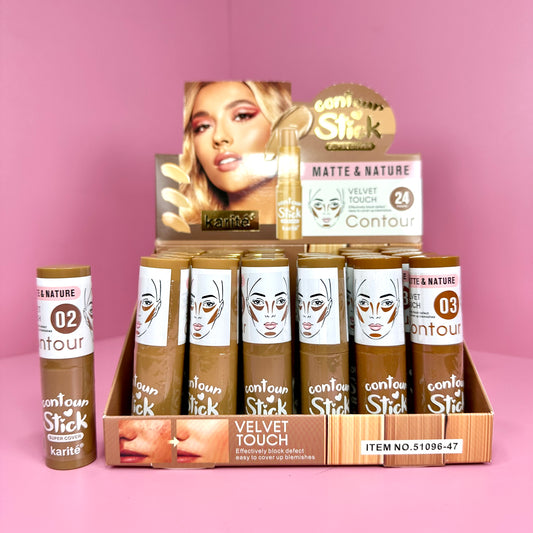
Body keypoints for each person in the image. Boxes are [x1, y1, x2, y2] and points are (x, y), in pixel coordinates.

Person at [179, 81, 292, 224]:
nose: (219, 137)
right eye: (203, 126)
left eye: (242, 116)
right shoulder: (187, 234)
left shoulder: (315, 226)